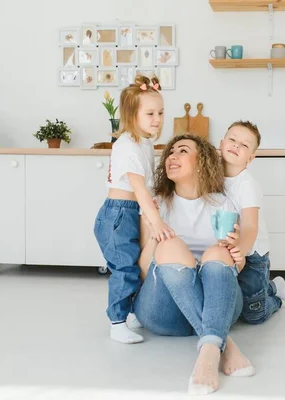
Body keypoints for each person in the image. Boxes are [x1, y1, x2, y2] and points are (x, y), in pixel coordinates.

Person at [133, 134, 254, 396]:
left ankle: (208, 350)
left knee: (217, 252)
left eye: (182, 151)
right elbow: (143, 270)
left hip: (217, 302)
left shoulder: (224, 204)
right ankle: (223, 343)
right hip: (164, 311)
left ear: (202, 162)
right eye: (170, 153)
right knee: (170, 244)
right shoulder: (157, 205)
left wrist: (238, 257)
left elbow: (234, 269)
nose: (172, 157)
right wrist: (157, 235)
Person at [93, 75, 174, 344]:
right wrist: (157, 222)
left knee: (137, 264)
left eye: (160, 112)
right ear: (132, 115)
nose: (157, 119)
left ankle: (129, 313)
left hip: (129, 211)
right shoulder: (127, 145)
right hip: (118, 213)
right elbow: (139, 189)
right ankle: (117, 322)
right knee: (124, 268)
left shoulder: (144, 143)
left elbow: (147, 187)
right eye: (150, 113)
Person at [219, 121, 285, 325]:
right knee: (235, 301)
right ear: (221, 143)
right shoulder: (212, 177)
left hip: (251, 254)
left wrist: (240, 251)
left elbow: (251, 226)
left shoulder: (247, 185)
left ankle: (274, 290)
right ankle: (264, 289)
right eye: (232, 140)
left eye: (244, 145)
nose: (236, 145)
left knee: (254, 314)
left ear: (251, 158)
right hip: (230, 249)